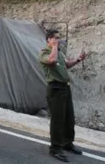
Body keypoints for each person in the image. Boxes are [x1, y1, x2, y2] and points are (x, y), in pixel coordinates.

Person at [39, 29, 86, 162]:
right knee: (58, 120)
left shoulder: (59, 53)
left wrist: (77, 60)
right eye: (56, 38)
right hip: (55, 89)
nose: (58, 40)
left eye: (59, 38)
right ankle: (55, 148)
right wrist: (54, 47)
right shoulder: (44, 52)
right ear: (49, 39)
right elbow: (52, 61)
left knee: (69, 118)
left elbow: (65, 65)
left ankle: (67, 143)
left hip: (65, 88)